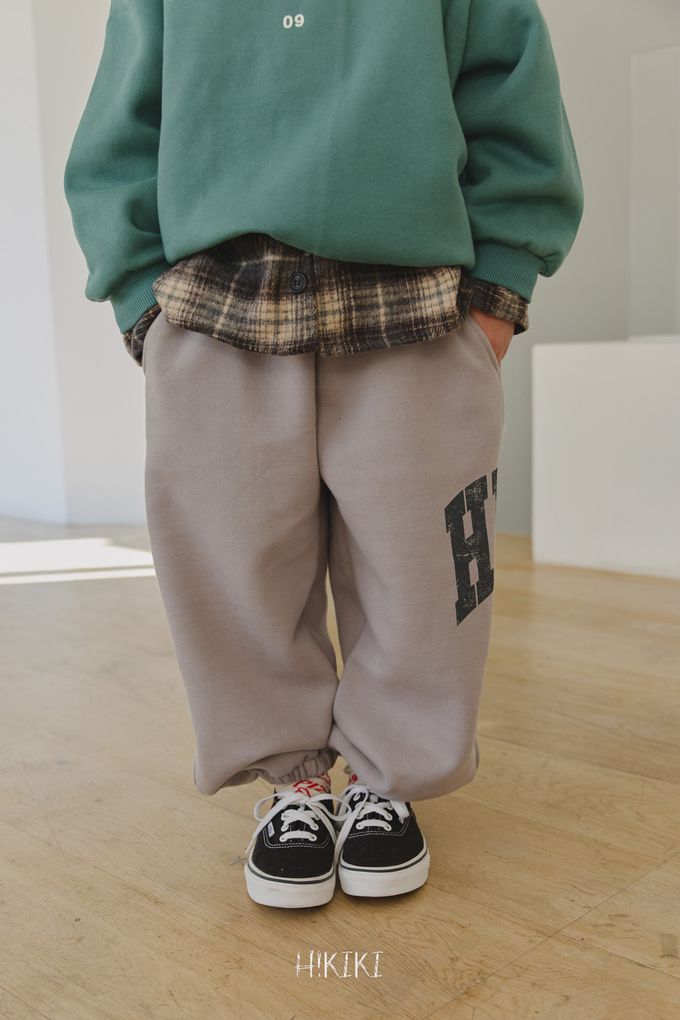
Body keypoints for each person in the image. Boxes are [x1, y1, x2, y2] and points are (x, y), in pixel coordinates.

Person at [63, 0, 583, 910]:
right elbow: (119, 129)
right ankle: (292, 781)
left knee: (423, 571)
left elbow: (512, 91)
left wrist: (499, 287)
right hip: (217, 305)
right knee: (233, 567)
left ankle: (388, 778)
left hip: (418, 300)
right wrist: (143, 304)